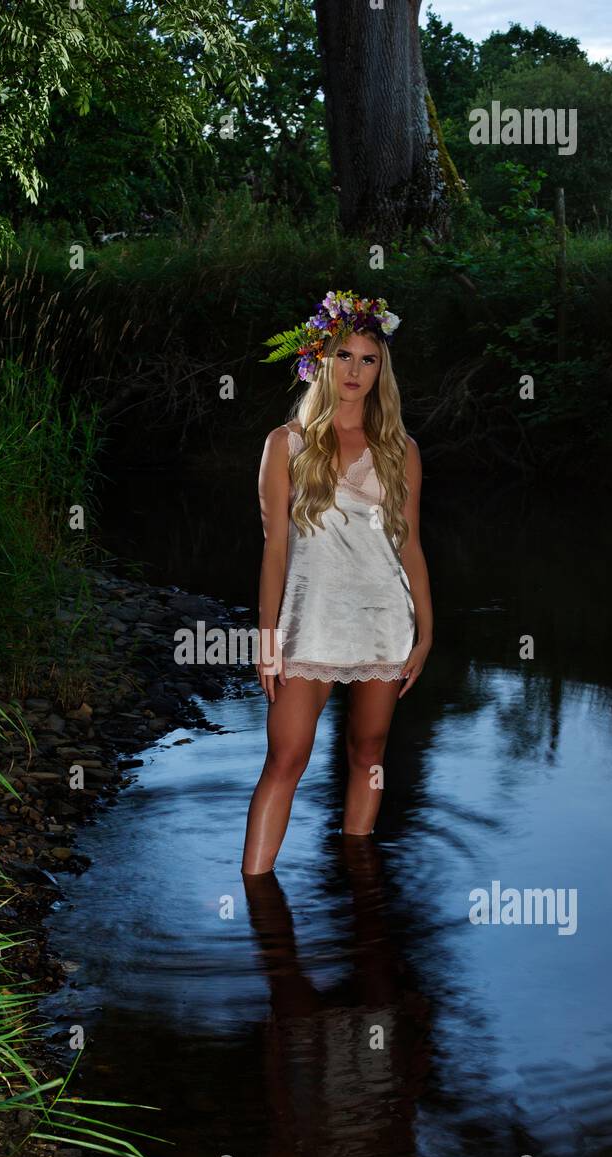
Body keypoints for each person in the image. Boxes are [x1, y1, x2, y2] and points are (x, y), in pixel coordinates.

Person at [241, 290, 433, 875]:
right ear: (320, 360)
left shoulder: (401, 450)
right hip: (310, 620)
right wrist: (268, 639)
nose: (355, 371)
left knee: (367, 750)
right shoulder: (287, 444)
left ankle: (357, 884)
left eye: (368, 359)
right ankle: (254, 890)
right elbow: (275, 551)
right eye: (343, 356)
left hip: (381, 618)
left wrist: (425, 632)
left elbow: (409, 545)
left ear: (383, 369)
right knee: (287, 755)